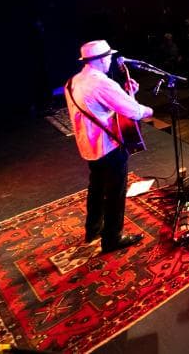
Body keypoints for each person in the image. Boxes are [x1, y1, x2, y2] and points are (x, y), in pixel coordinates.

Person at [65, 40, 154, 253]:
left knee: (96, 187)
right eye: (109, 57)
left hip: (88, 146)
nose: (110, 60)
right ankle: (112, 238)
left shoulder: (73, 81)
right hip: (108, 146)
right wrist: (149, 110)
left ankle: (93, 229)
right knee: (115, 193)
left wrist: (126, 92)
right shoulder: (102, 83)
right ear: (102, 59)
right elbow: (134, 111)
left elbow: (99, 107)